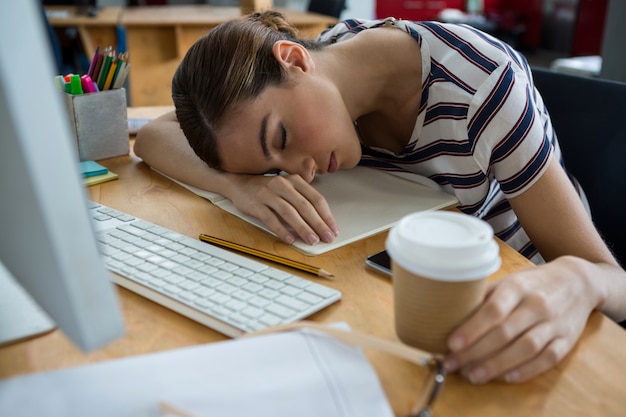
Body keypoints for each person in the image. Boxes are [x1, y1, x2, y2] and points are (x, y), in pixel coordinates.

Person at [134, 11, 626, 385]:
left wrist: (581, 281)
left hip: (522, 314)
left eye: (280, 139)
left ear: (295, 59)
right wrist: (239, 183)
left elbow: (612, 279)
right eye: (274, 168)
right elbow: (156, 133)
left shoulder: (482, 88)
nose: (300, 173)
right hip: (404, 289)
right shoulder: (332, 66)